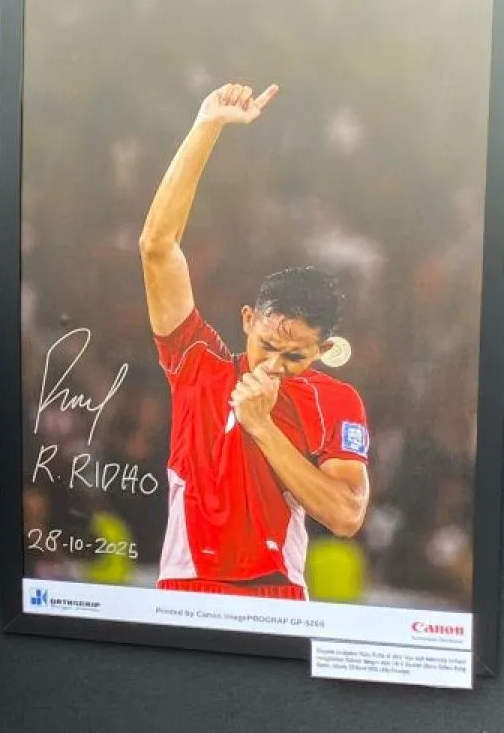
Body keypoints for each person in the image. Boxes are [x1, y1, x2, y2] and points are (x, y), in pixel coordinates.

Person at [137, 82, 371, 602]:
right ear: (247, 319)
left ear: (323, 350)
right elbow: (157, 247)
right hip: (185, 589)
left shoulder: (335, 400)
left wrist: (261, 425)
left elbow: (346, 514)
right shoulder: (197, 364)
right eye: (268, 345)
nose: (276, 364)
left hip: (276, 596)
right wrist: (206, 126)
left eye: (296, 356)